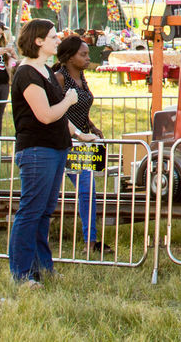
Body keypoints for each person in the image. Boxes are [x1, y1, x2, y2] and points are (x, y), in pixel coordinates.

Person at [8, 19, 93, 286]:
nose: (58, 40)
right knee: (31, 211)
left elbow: (58, 116)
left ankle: (43, 268)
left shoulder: (44, 70)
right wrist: (68, 100)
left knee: (44, 212)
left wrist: (79, 133)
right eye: (53, 36)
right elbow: (45, 115)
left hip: (56, 148)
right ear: (38, 41)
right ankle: (22, 274)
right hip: (36, 150)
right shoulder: (27, 73)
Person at [52, 35, 108, 254]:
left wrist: (91, 126)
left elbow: (80, 107)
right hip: (65, 141)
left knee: (88, 189)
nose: (87, 58)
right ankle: (87, 240)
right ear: (69, 57)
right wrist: (75, 132)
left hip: (83, 141)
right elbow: (58, 111)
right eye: (83, 54)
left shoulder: (82, 78)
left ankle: (90, 241)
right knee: (79, 188)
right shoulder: (59, 79)